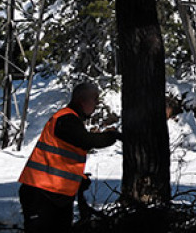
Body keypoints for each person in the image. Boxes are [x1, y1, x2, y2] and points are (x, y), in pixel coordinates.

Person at [18, 81, 121, 232]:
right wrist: (111, 136)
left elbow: (63, 159)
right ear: (81, 100)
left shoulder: (72, 121)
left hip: (56, 196)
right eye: (94, 99)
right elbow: (85, 140)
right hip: (40, 193)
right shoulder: (66, 119)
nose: (97, 103)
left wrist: (77, 179)